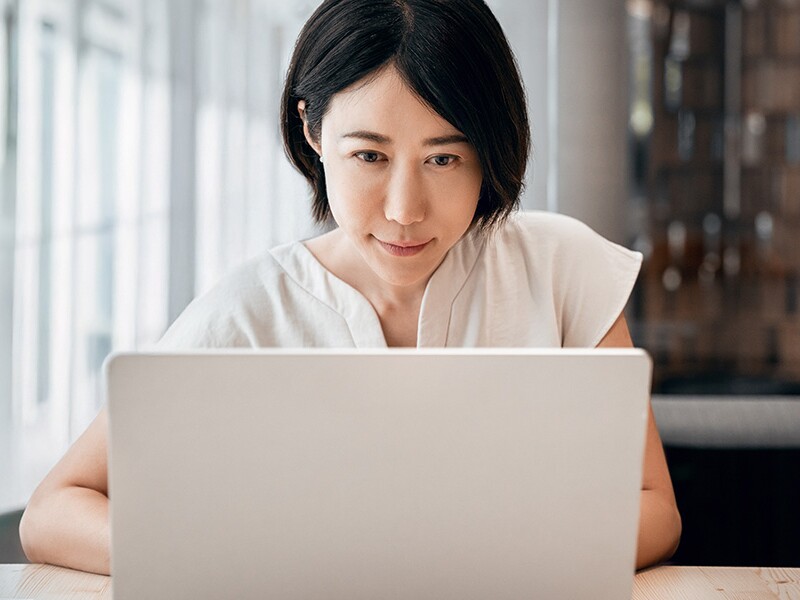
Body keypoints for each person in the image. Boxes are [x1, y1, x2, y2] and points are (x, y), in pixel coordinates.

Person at [19, 0, 681, 575]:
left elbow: (653, 505)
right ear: (312, 130)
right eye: (369, 156)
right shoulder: (250, 311)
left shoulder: (558, 267)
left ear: (490, 147)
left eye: (443, 158)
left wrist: (488, 563)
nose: (404, 208)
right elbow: (52, 512)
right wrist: (222, 560)